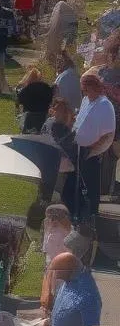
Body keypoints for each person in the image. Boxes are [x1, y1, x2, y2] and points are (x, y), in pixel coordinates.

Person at [66, 71, 116, 223]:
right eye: (83, 90)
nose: (84, 92)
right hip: (78, 147)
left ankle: (92, 216)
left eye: (86, 89)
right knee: (75, 183)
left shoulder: (105, 105)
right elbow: (80, 120)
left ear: (95, 87)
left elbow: (108, 134)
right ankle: (77, 212)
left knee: (91, 185)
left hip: (91, 152)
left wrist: (93, 151)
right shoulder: (86, 100)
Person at [16, 67, 53, 134]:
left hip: (28, 118)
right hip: (43, 117)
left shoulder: (26, 90)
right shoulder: (46, 88)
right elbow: (50, 100)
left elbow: (19, 101)